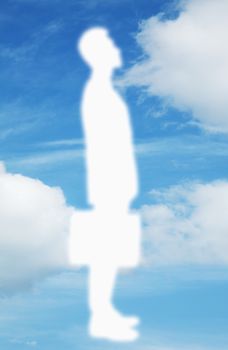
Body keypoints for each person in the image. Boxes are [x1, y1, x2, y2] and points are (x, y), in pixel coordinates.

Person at [78, 27, 141, 342]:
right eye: (108, 44)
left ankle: (105, 310)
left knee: (113, 251)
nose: (115, 49)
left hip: (114, 184)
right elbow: (105, 144)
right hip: (108, 185)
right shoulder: (99, 92)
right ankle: (102, 313)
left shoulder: (104, 91)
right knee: (105, 251)